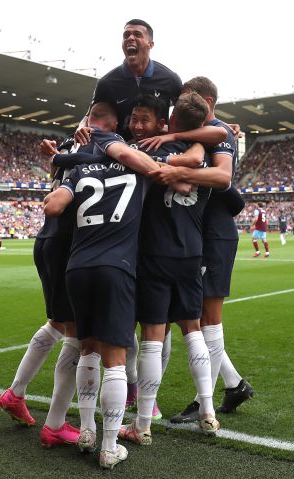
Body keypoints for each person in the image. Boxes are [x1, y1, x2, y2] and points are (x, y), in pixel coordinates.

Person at [42, 113, 171, 470]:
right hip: (116, 267)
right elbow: (175, 181)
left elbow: (52, 207)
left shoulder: (81, 172)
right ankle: (109, 446)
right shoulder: (137, 170)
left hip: (77, 268)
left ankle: (86, 431)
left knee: (87, 350)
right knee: (115, 359)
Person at [0, 103, 118, 449]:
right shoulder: (102, 146)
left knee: (57, 322)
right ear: (110, 126)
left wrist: (57, 155)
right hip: (70, 241)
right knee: (78, 337)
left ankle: (16, 394)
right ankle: (54, 424)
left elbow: (60, 167)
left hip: (47, 238)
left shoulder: (68, 145)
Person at [112, 92, 225, 446]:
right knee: (193, 331)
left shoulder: (151, 152)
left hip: (155, 254)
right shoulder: (202, 156)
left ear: (172, 121)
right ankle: (208, 410)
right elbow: (213, 154)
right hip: (192, 253)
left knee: (152, 339)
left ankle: (142, 423)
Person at [152, 77, 253, 422]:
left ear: (207, 101)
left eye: (191, 100)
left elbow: (223, 177)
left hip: (213, 232)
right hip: (195, 231)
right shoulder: (204, 130)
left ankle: (202, 401)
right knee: (187, 316)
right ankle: (234, 383)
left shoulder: (218, 130)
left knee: (206, 319)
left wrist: (176, 168)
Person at [87, 19, 182, 140]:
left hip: (157, 148)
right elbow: (93, 116)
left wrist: (170, 133)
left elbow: (185, 117)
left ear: (150, 44)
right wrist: (82, 128)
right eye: (126, 35)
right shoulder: (107, 83)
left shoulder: (170, 79)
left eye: (137, 34)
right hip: (119, 149)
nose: (130, 38)